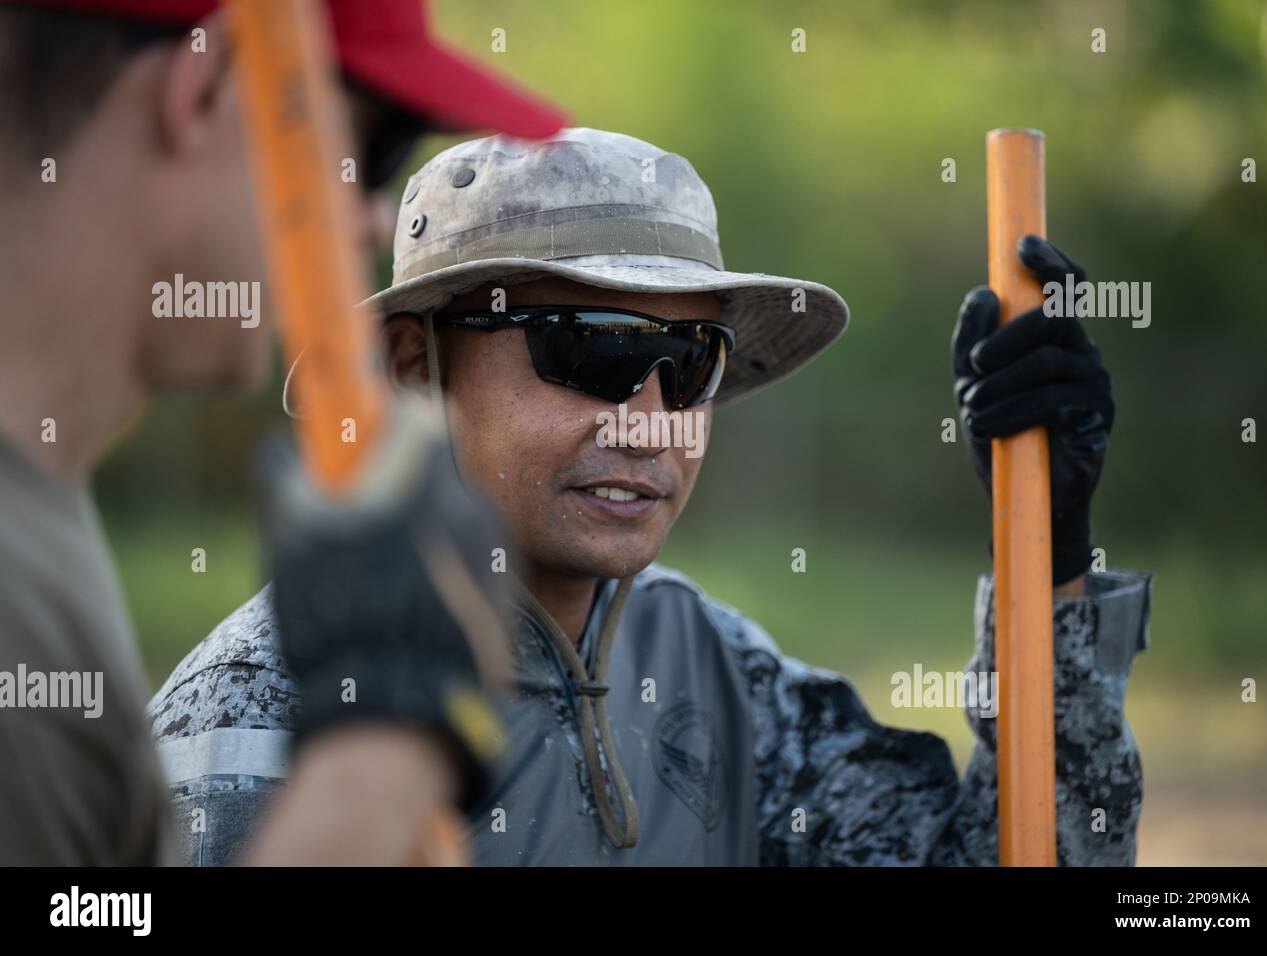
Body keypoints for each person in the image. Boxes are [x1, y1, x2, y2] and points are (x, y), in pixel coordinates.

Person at [154, 127, 1154, 866]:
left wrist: (1054, 562)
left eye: (688, 363)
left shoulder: (725, 676)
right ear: (418, 367)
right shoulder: (264, 715)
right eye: (592, 348)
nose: (649, 419)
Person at [0, 0, 564, 865]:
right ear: (209, 85)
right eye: (371, 154)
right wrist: (378, 761)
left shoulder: (42, 522)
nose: (377, 220)